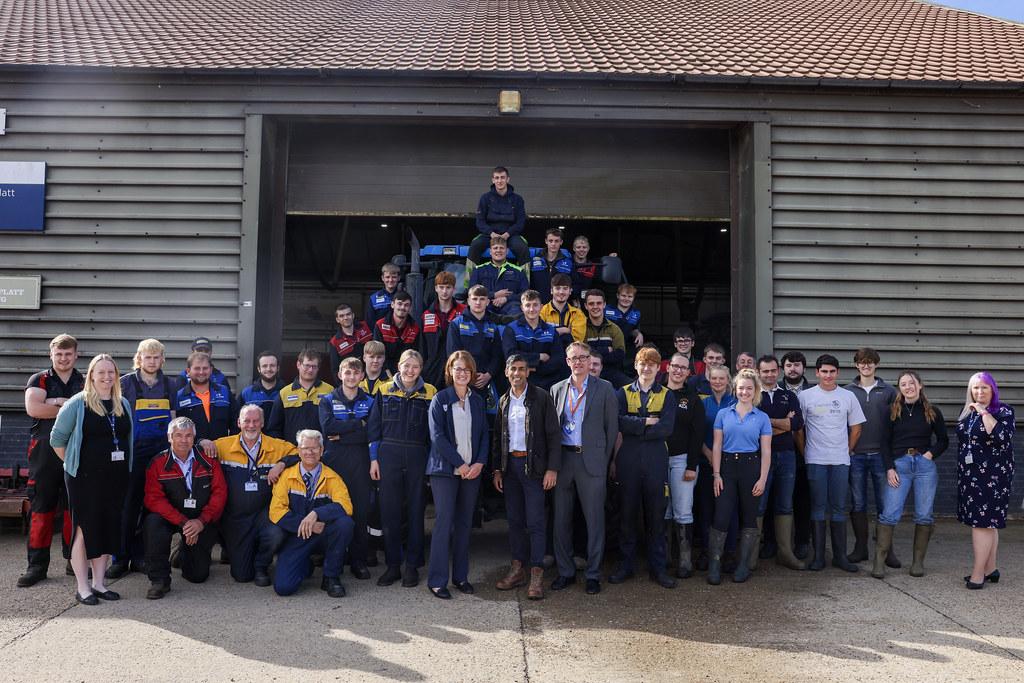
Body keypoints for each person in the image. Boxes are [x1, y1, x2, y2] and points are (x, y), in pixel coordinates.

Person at [49, 354, 133, 605]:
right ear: (91, 376)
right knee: (84, 530)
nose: (107, 377)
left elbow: (127, 438)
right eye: (101, 372)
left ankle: (99, 583)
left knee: (107, 528)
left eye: (111, 372)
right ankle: (82, 587)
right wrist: (73, 465)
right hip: (84, 479)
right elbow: (57, 440)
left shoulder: (123, 404)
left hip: (115, 478)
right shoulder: (78, 403)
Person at [550, 341, 619, 595]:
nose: (578, 362)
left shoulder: (605, 389)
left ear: (591, 361)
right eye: (573, 358)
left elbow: (612, 430)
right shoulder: (557, 389)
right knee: (561, 520)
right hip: (564, 461)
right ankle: (565, 572)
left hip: (592, 462)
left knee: (595, 521)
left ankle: (592, 574)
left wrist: (603, 459)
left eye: (583, 357)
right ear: (567, 361)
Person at [108, 338, 178, 579]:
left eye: (156, 357)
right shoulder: (125, 384)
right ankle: (120, 558)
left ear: (162, 360)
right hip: (132, 456)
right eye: (147, 357)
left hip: (159, 457)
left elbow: (174, 418)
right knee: (127, 508)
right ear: (139, 359)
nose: (152, 361)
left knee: (151, 509)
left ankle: (140, 558)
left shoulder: (171, 385)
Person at [18, 333, 84, 588]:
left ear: (76, 355)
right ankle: (36, 566)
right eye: (59, 354)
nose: (64, 358)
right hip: (44, 453)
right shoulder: (39, 379)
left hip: (76, 451)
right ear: (51, 355)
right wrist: (67, 406)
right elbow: (34, 409)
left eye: (68, 354)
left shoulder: (84, 380)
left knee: (73, 509)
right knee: (41, 510)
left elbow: (91, 409)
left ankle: (73, 561)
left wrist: (53, 403)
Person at [493, 355, 561, 600]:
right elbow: (498, 439)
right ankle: (517, 569)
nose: (517, 373)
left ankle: (536, 573)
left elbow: (554, 435)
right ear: (506, 372)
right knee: (514, 521)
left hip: (534, 469)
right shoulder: (503, 400)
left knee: (535, 522)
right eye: (513, 369)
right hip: (510, 467)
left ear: (528, 372)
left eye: (522, 369)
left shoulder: (541, 397)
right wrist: (497, 469)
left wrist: (552, 469)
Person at [367, 350, 437, 587]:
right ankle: (393, 566)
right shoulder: (384, 390)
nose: (410, 371)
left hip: (418, 454)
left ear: (421, 368)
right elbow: (373, 429)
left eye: (415, 367)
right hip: (389, 454)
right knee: (390, 512)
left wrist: (430, 464)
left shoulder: (430, 393)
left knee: (416, 512)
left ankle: (412, 567)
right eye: (406, 366)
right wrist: (374, 459)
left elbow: (434, 434)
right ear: (398, 366)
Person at [610, 347, 677, 589]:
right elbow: (617, 421)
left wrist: (635, 427)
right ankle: (625, 565)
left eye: (651, 364)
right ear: (636, 366)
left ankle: (657, 568)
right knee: (626, 514)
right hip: (628, 457)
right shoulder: (623, 392)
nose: (646, 368)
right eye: (642, 363)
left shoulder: (667, 395)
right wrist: (646, 422)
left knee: (656, 516)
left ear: (659, 369)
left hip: (656, 458)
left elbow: (666, 428)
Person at [872, 371, 948, 579]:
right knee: (890, 513)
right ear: (899, 388)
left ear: (920, 385)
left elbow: (943, 439)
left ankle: (917, 563)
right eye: (903, 384)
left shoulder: (932, 411)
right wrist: (889, 468)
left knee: (924, 514)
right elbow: (884, 443)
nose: (908, 387)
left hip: (924, 467)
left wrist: (930, 454)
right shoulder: (892, 411)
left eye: (911, 383)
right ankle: (879, 562)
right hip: (899, 466)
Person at [425, 351, 489, 599]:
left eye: (466, 369)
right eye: (457, 368)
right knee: (443, 523)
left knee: (464, 524)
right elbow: (437, 437)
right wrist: (460, 464)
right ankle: (438, 581)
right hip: (445, 471)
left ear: (472, 373)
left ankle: (461, 577)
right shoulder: (440, 399)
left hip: (472, 472)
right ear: (450, 371)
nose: (462, 373)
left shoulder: (477, 401)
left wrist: (480, 463)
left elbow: (484, 435)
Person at [142, 417, 227, 600]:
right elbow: (153, 499)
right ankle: (159, 580)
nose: (183, 440)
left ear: (194, 438)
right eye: (178, 435)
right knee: (153, 523)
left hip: (200, 518)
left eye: (188, 436)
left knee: (197, 576)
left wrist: (201, 522)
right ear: (169, 437)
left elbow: (219, 494)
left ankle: (182, 554)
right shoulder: (158, 462)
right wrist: (184, 522)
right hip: (171, 517)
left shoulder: (208, 460)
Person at [213, 405, 296, 585]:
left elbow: (299, 453)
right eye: (247, 421)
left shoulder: (277, 446)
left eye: (256, 421)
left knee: (276, 533)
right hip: (235, 518)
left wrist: (281, 464)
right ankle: (237, 551)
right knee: (242, 576)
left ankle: (262, 565)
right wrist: (204, 441)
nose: (251, 425)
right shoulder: (222, 446)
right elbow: (197, 452)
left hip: (264, 514)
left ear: (263, 423)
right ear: (239, 423)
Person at [798, 354, 865, 573]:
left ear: (837, 373)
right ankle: (818, 557)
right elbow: (798, 429)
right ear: (816, 372)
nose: (828, 375)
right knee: (817, 507)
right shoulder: (806, 396)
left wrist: (846, 449)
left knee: (838, 508)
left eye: (832, 371)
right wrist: (804, 451)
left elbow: (856, 428)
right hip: (815, 460)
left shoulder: (848, 396)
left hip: (840, 461)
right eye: (824, 371)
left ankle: (840, 557)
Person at [269, 430, 355, 598]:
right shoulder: (286, 476)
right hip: (297, 535)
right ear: (299, 451)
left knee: (345, 524)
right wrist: (305, 523)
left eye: (314, 448)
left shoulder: (332, 477)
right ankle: (305, 565)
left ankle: (331, 577)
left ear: (322, 450)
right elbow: (276, 511)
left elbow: (346, 506)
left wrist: (316, 513)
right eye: (305, 448)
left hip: (324, 534)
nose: (310, 452)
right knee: (284, 588)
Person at [707, 368, 771, 585]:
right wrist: (716, 474)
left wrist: (762, 479)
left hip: (751, 468)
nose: (744, 392)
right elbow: (716, 446)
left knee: (749, 517)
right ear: (735, 389)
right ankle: (714, 566)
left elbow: (766, 451)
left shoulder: (762, 417)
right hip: (726, 467)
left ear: (755, 391)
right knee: (721, 516)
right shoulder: (723, 414)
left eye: (749, 388)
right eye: (741, 388)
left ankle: (743, 566)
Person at [956, 372, 1015, 590]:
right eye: (975, 388)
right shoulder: (966, 412)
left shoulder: (1003, 411)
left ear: (993, 390)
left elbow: (1001, 436)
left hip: (993, 476)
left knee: (982, 524)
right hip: (970, 476)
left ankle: (978, 573)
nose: (979, 392)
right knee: (987, 523)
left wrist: (983, 412)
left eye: (984, 388)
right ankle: (991, 569)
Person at [319, 357, 376, 580]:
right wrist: (357, 425)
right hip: (334, 461)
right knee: (334, 509)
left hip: (361, 460)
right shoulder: (327, 400)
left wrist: (342, 435)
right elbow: (327, 428)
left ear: (362, 375)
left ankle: (358, 561)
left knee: (360, 511)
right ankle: (333, 558)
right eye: (347, 372)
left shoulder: (371, 401)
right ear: (340, 375)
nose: (351, 377)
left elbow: (371, 432)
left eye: (356, 373)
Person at [845, 348, 899, 567]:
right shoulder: (847, 391)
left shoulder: (889, 391)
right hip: (856, 454)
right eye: (861, 362)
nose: (866, 366)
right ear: (856, 365)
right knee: (858, 502)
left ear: (876, 364)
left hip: (881, 456)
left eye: (870, 362)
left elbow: (898, 422)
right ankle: (860, 548)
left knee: (885, 505)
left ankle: (887, 550)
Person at [755, 355, 805, 571]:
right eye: (765, 371)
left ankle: (785, 553)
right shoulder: (753, 395)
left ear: (778, 371)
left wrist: (766, 422)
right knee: (759, 504)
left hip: (786, 455)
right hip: (759, 457)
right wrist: (782, 423)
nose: (769, 374)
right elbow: (752, 426)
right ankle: (751, 555)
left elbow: (797, 423)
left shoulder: (788, 395)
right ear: (758, 372)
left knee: (785, 503)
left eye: (773, 370)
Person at [663, 353, 705, 579]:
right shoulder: (657, 393)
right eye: (675, 366)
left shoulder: (693, 398)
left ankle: (685, 561)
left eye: (683, 368)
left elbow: (698, 435)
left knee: (682, 510)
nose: (678, 371)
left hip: (682, 461)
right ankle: (665, 558)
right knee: (664, 510)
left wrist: (692, 465)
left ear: (689, 373)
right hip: (658, 460)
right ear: (668, 368)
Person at [695, 365, 735, 570]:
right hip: (706, 461)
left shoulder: (736, 403)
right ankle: (707, 551)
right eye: (714, 378)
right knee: (706, 510)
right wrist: (709, 454)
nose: (717, 382)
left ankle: (728, 552)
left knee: (727, 510)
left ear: (728, 381)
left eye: (722, 378)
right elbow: (696, 433)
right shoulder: (703, 404)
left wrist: (721, 458)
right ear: (708, 380)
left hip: (730, 465)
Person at [779, 350, 812, 560]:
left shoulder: (814, 391)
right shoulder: (775, 389)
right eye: (789, 365)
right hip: (780, 449)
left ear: (804, 368)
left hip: (808, 452)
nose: (793, 368)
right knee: (780, 499)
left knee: (803, 499)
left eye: (797, 365)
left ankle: (802, 541)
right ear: (783, 368)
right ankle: (776, 543)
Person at [447, 284, 502, 403]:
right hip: (461, 379)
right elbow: (453, 354)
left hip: (484, 382)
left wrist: (488, 375)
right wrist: (468, 374)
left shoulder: (493, 327)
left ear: (488, 302)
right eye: (475, 299)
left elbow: (497, 355)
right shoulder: (456, 324)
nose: (478, 302)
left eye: (482, 299)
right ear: (468, 301)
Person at [468, 166, 529, 273]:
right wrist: (491, 233)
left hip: (510, 235)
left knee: (523, 248)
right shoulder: (485, 198)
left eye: (502, 177)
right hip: (489, 235)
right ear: (493, 180)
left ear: (508, 179)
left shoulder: (517, 199)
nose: (499, 181)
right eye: (497, 178)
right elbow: (480, 221)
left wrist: (508, 234)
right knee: (474, 246)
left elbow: (520, 222)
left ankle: (524, 285)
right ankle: (469, 285)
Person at [502, 289, 566, 390]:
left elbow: (558, 360)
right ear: (522, 308)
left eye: (535, 305)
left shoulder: (551, 331)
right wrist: (539, 356)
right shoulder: (511, 329)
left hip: (547, 384)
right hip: (520, 383)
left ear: (541, 307)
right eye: (527, 305)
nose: (531, 309)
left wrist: (534, 368)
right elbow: (511, 356)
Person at [267, 349, 333, 444]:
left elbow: (336, 425)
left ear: (318, 368)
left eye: (314, 366)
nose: (310, 370)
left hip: (321, 452)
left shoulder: (329, 391)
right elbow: (274, 429)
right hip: (292, 452)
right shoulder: (285, 393)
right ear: (298, 365)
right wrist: (284, 450)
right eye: (307, 365)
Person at [175, 351, 238, 441]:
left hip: (222, 450)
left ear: (211, 370)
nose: (201, 372)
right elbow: (178, 430)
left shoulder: (224, 392)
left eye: (205, 368)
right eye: (197, 368)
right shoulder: (180, 397)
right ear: (188, 371)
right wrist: (198, 442)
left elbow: (236, 422)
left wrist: (230, 444)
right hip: (193, 451)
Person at [420, 271, 466, 388]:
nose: (444, 291)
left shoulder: (464, 312)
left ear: (454, 289)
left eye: (448, 287)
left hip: (456, 368)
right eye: (441, 287)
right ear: (436, 288)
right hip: (431, 370)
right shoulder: (426, 315)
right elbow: (422, 346)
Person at [469, 236, 529, 318]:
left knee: (517, 311)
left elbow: (525, 294)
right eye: (495, 248)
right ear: (490, 251)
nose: (498, 250)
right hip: (487, 305)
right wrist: (494, 295)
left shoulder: (518, 271)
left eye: (501, 248)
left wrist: (506, 298)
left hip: (510, 306)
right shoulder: (479, 270)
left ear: (507, 251)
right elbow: (472, 292)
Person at [582, 289, 629, 387]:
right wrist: (606, 350)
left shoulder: (614, 329)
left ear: (604, 305)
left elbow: (620, 355)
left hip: (611, 373)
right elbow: (581, 355)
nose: (595, 307)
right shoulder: (581, 328)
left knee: (631, 387)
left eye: (599, 303)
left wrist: (593, 351)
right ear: (586, 306)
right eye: (591, 304)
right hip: (586, 371)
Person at [373, 290, 421, 374]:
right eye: (399, 304)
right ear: (392, 305)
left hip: (407, 372)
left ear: (410, 308)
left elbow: (416, 355)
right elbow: (378, 353)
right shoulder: (380, 325)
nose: (402, 307)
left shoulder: (415, 328)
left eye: (406, 305)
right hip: (383, 372)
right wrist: (386, 371)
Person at [540, 272, 587, 346]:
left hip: (570, 355)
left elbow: (577, 343)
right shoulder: (541, 311)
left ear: (570, 291)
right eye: (557, 288)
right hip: (548, 354)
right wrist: (565, 330)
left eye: (565, 288)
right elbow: (539, 337)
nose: (561, 292)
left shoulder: (578, 314)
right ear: (551, 290)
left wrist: (550, 332)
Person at [329, 303, 373, 379]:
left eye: (348, 314)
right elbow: (335, 370)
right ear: (337, 320)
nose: (345, 318)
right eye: (341, 316)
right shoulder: (335, 342)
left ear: (353, 315)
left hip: (372, 378)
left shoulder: (366, 326)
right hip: (352, 382)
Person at [530, 228, 573, 304]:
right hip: (538, 304)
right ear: (546, 241)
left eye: (556, 241)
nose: (553, 244)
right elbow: (529, 283)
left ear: (561, 242)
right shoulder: (535, 260)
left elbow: (573, 284)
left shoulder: (568, 262)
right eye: (551, 241)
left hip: (559, 304)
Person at [239, 350, 285, 417]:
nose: (268, 369)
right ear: (259, 369)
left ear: (278, 368)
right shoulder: (246, 394)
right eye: (264, 366)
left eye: (272, 365)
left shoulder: (287, 393)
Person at [605, 283, 644, 349]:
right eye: (623, 296)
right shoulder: (606, 309)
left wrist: (639, 334)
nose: (626, 299)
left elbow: (633, 330)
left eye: (630, 296)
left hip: (627, 348)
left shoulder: (636, 313)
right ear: (617, 296)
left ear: (633, 298)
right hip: (608, 347)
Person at [366, 262, 402, 329]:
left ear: (399, 278)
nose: (390, 280)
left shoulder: (405, 297)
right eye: (387, 277)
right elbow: (370, 322)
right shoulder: (374, 298)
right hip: (380, 337)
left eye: (394, 277)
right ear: (382, 278)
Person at [569, 235, 599, 304]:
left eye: (584, 247)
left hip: (588, 303)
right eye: (578, 247)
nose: (581, 249)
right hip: (570, 302)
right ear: (574, 248)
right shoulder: (567, 264)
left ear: (588, 248)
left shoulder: (593, 266)